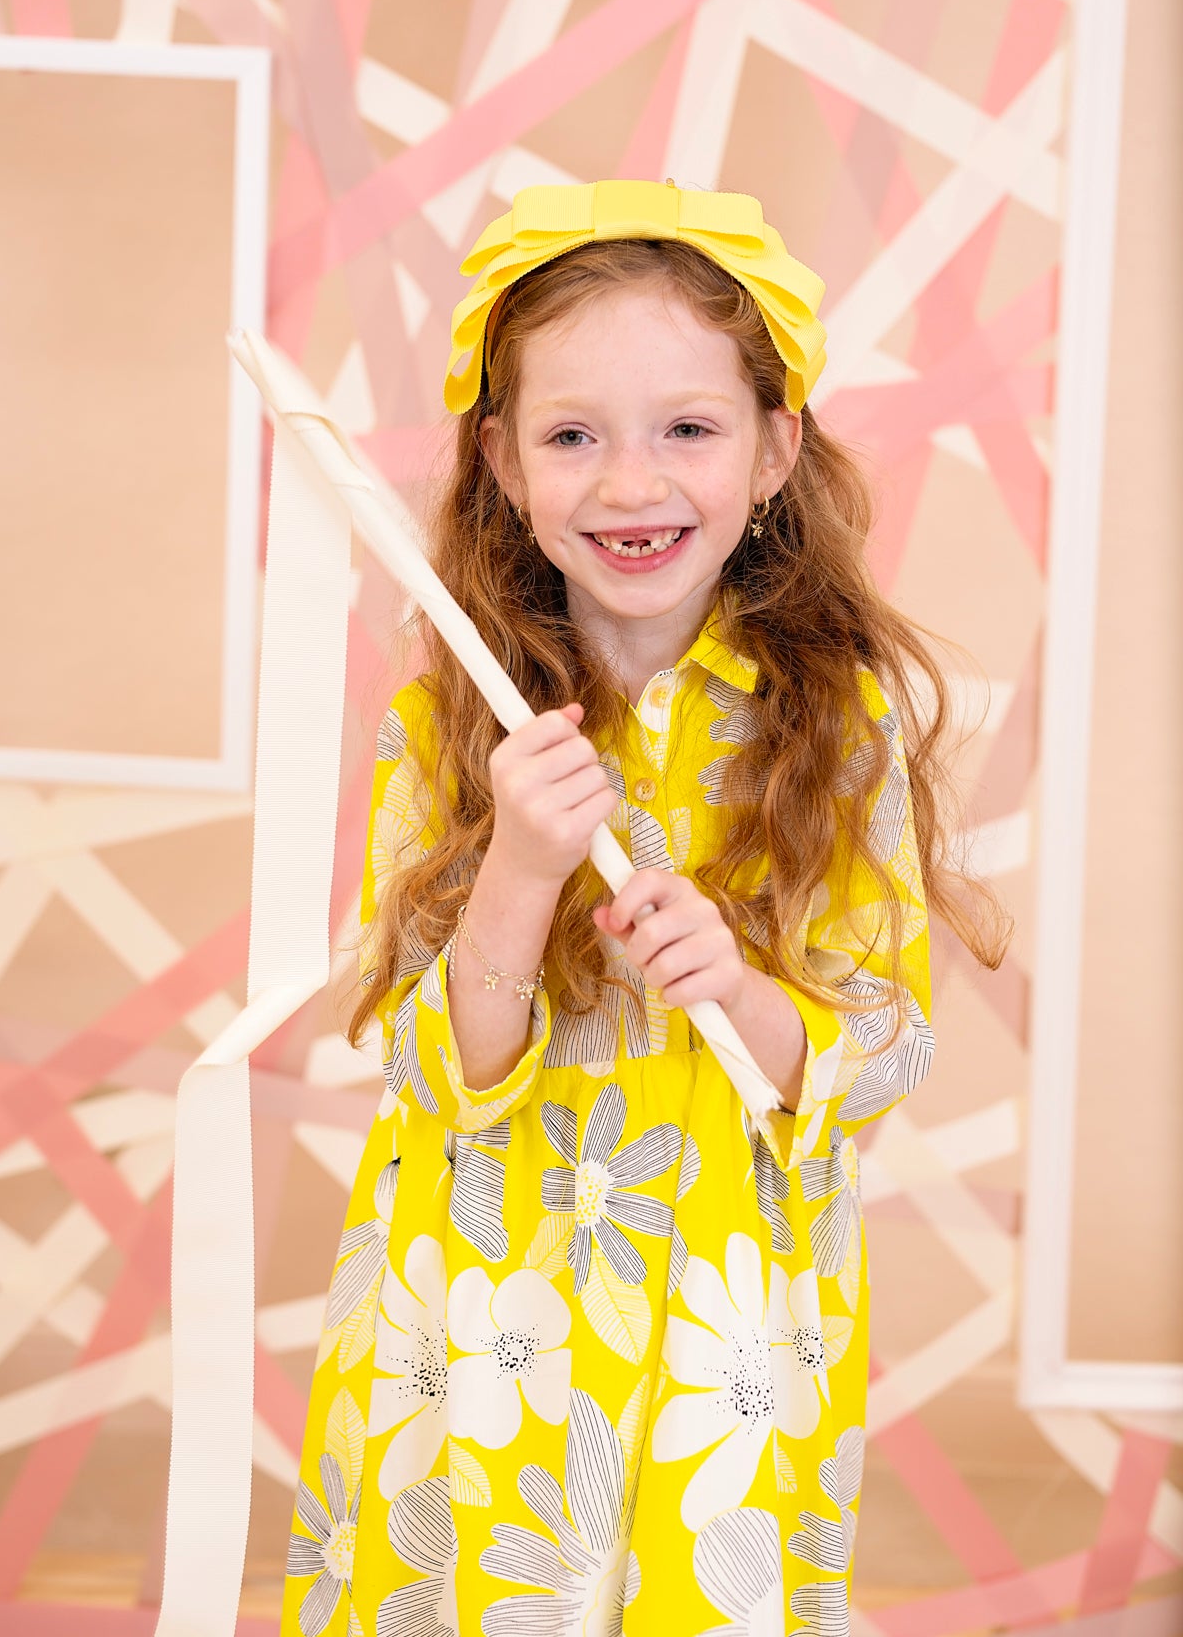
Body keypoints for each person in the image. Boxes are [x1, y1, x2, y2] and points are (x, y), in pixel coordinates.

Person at [280, 180, 1010, 1636]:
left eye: (688, 428)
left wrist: (739, 990)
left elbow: (885, 1045)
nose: (631, 484)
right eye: (572, 437)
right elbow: (433, 1069)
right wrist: (517, 873)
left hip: (724, 1317)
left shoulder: (841, 730)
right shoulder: (444, 728)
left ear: (773, 449)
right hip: (484, 1305)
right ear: (502, 461)